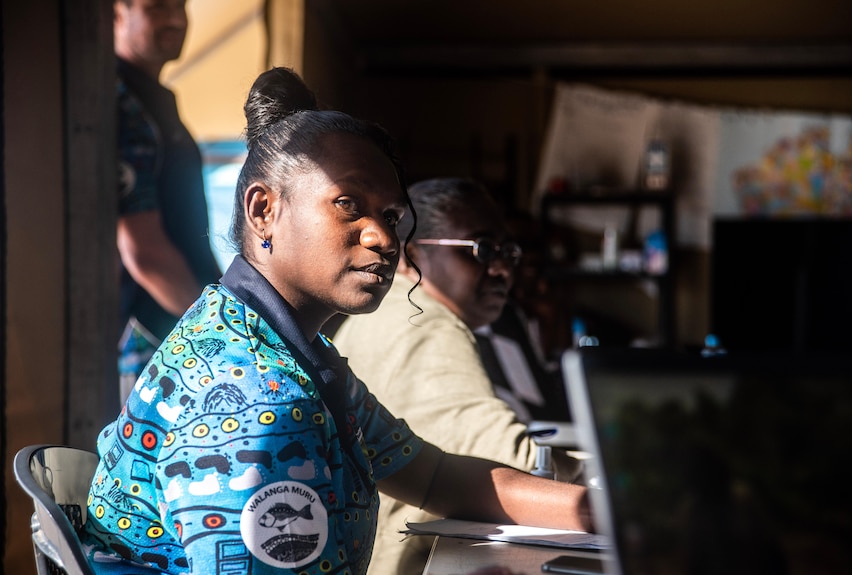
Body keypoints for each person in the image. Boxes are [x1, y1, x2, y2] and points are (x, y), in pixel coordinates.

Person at [80, 67, 593, 575]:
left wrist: (602, 514)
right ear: (263, 211)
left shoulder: (291, 351)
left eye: (391, 216)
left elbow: (435, 476)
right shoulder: (261, 398)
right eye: (348, 204)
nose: (384, 239)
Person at [333, 177, 582, 574]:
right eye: (482, 249)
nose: (502, 269)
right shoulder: (422, 322)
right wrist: (606, 482)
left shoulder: (392, 312)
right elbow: (511, 462)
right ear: (413, 255)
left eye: (508, 252)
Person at [114, 0, 221, 400]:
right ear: (115, 13)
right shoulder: (119, 102)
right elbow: (145, 253)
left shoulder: (150, 100)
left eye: (180, 6)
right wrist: (222, 330)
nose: (176, 19)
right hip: (150, 338)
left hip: (177, 325)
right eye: (158, 7)